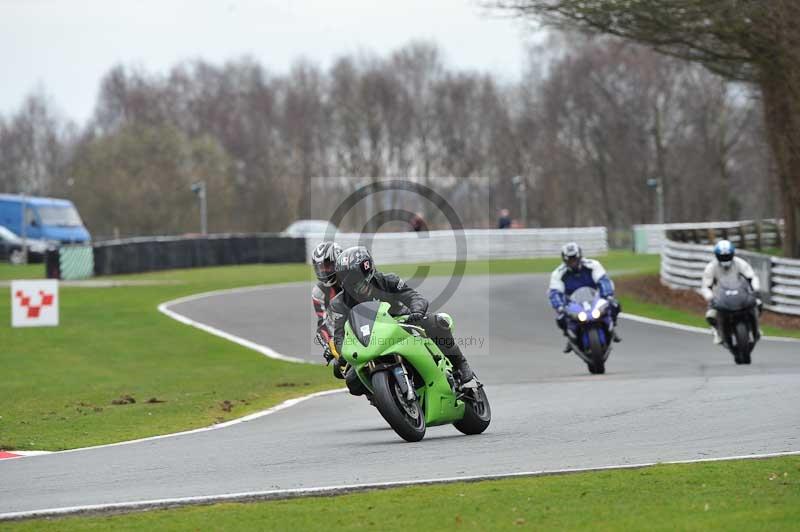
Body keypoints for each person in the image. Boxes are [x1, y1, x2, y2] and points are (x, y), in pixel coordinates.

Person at [328, 246, 475, 394]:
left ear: (368, 271)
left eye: (358, 279)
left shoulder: (388, 280)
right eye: (351, 281)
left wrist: (417, 311)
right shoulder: (338, 304)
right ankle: (379, 398)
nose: (357, 285)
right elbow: (339, 335)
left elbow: (413, 296)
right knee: (352, 381)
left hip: (402, 322)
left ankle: (461, 365)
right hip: (370, 340)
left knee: (436, 322)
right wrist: (342, 355)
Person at [548, 242, 621, 353]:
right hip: (573, 303)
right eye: (570, 260)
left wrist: (607, 295)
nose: (573, 262)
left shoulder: (593, 265)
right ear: (564, 260)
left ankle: (612, 327)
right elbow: (555, 292)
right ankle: (570, 336)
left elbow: (603, 281)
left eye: (575, 258)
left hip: (593, 298)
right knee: (561, 318)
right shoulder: (558, 273)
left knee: (615, 305)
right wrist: (560, 306)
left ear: (580, 256)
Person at [701, 240, 762, 344]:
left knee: (758, 303)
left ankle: (755, 327)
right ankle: (717, 332)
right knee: (710, 315)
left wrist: (755, 288)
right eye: (722, 256)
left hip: (740, 293)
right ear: (717, 256)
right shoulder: (711, 267)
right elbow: (705, 286)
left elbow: (751, 276)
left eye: (727, 255)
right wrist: (710, 296)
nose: (725, 258)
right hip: (720, 296)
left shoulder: (740, 263)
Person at [311, 241, 343, 369]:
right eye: (320, 268)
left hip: (369, 325)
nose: (324, 271)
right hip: (344, 332)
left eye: (327, 266)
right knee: (339, 369)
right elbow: (323, 323)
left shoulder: (353, 277)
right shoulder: (318, 292)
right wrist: (328, 345)